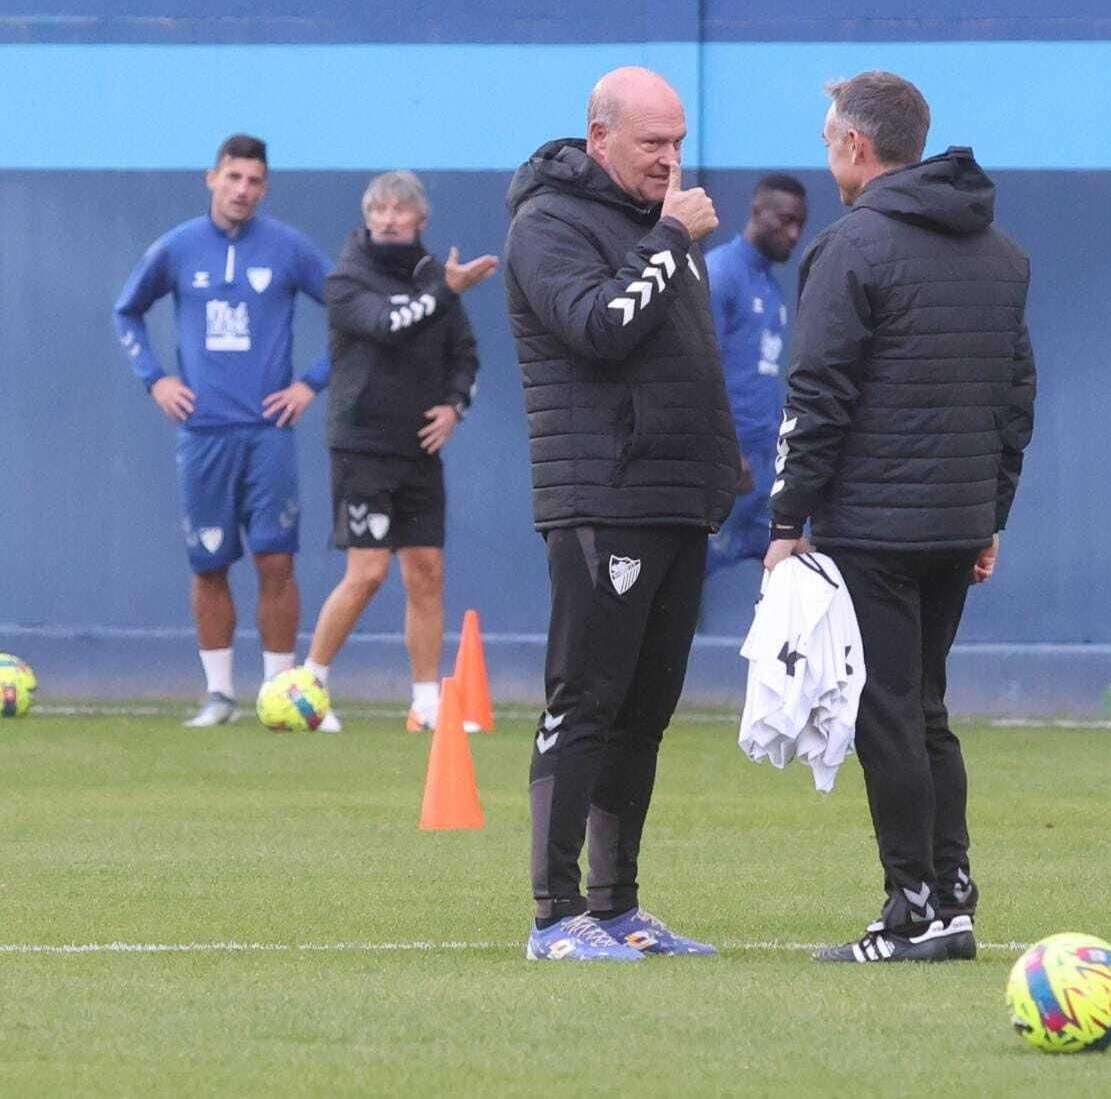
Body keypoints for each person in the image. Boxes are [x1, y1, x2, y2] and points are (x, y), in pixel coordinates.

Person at [763, 71, 1036, 963]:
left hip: (874, 529)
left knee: (887, 713)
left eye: (827, 134)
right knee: (923, 709)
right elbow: (1014, 400)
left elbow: (818, 393)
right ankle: (951, 903)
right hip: (957, 526)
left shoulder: (852, 248)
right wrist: (990, 514)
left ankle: (910, 910)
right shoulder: (999, 251)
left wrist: (786, 521)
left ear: (854, 145)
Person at [504, 66, 741, 961]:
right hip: (602, 496)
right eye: (653, 144)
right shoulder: (548, 224)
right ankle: (554, 915)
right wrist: (673, 238)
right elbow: (602, 330)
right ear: (599, 137)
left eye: (679, 143)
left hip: (675, 498)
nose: (670, 160)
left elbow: (686, 364)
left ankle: (617, 907)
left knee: (645, 711)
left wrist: (723, 471)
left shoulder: (655, 229)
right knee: (587, 700)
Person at [114, 134, 334, 728]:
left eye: (254, 181)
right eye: (233, 177)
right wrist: (155, 379)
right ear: (211, 178)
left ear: (265, 187)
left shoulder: (287, 248)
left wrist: (311, 382)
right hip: (203, 434)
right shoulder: (178, 247)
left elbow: (351, 309)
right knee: (209, 565)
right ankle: (218, 695)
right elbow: (126, 310)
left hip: (269, 434)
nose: (243, 190)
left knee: (275, 562)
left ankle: (279, 689)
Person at [300, 171, 493, 730]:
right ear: (367, 218)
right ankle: (310, 683)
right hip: (362, 446)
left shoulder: (437, 276)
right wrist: (446, 291)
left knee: (426, 570)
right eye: (378, 209)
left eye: (399, 210)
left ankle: (426, 703)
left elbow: (466, 355)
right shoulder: (345, 279)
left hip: (419, 450)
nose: (388, 218)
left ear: (420, 220)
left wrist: (454, 406)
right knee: (367, 573)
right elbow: (387, 325)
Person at [704, 175, 809, 577]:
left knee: (802, 567)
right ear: (755, 212)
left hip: (763, 470)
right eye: (784, 220)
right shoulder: (721, 274)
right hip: (728, 468)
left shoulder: (771, 288)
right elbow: (700, 368)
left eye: (799, 222)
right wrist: (724, 449)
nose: (794, 233)